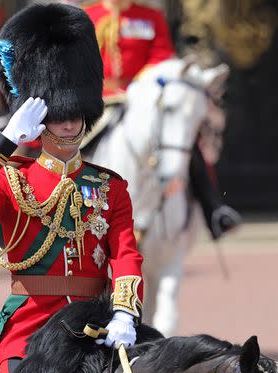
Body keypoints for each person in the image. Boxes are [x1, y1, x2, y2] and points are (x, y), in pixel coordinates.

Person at [0, 4, 144, 373]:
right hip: (33, 331)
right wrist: (4, 140)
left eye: (75, 114)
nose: (70, 124)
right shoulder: (12, 179)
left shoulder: (109, 187)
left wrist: (127, 310)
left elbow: (126, 253)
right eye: (59, 115)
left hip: (99, 324)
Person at [83, 0, 241, 240]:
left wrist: (140, 88)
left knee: (184, 143)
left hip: (140, 97)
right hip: (99, 99)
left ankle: (214, 209)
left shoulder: (149, 17)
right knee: (69, 142)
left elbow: (162, 57)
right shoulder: (87, 16)